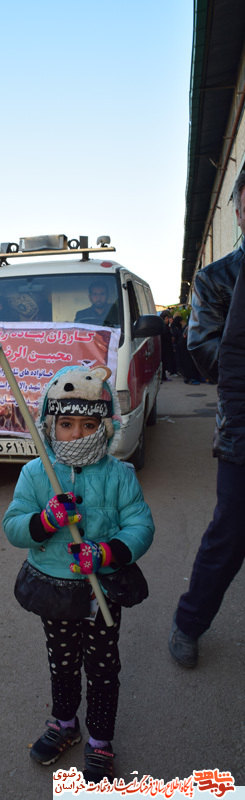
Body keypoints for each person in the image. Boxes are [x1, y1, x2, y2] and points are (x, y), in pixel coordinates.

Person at [3, 365, 154, 782]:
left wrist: (107, 552)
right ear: (49, 425)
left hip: (101, 591)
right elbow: (13, 526)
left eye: (88, 425)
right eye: (66, 424)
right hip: (54, 592)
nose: (76, 434)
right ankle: (64, 723)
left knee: (103, 669)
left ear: (105, 427)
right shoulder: (36, 474)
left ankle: (101, 741)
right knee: (62, 663)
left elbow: (140, 525)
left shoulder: (120, 475)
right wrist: (44, 521)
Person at [169, 170, 245, 668]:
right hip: (241, 428)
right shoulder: (216, 278)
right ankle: (188, 622)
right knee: (230, 535)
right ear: (238, 211)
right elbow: (202, 348)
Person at [159, 311, 174, 380]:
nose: (167, 320)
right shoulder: (163, 328)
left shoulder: (166, 327)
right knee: (164, 361)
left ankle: (163, 376)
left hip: (166, 347)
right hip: (164, 347)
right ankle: (163, 376)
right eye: (166, 319)